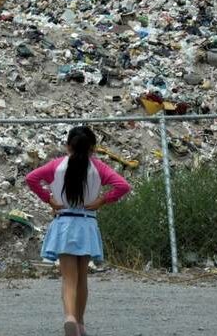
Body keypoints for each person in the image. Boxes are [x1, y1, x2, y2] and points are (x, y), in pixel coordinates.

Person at [25, 126, 131, 336]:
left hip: (64, 224)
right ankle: (80, 324)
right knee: (82, 277)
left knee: (68, 278)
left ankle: (69, 317)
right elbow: (123, 186)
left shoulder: (57, 166)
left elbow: (31, 179)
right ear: (93, 148)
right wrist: (102, 200)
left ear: (68, 146)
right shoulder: (98, 167)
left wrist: (49, 199)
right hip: (86, 224)